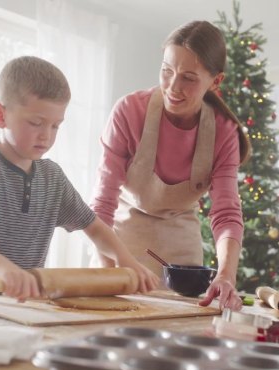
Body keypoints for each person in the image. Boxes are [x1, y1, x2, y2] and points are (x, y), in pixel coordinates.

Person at [0, 56, 160, 300]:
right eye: (36, 123)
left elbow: (95, 228)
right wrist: (1, 267)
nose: (46, 137)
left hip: (23, 308)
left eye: (55, 126)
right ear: (0, 115)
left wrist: (126, 260)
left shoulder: (53, 178)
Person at [90, 21, 250, 310]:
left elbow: (226, 213)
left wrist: (226, 275)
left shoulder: (223, 131)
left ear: (215, 81)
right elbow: (103, 204)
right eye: (167, 71)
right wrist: (106, 266)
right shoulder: (129, 111)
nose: (173, 87)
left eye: (189, 77)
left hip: (182, 247)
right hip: (120, 238)